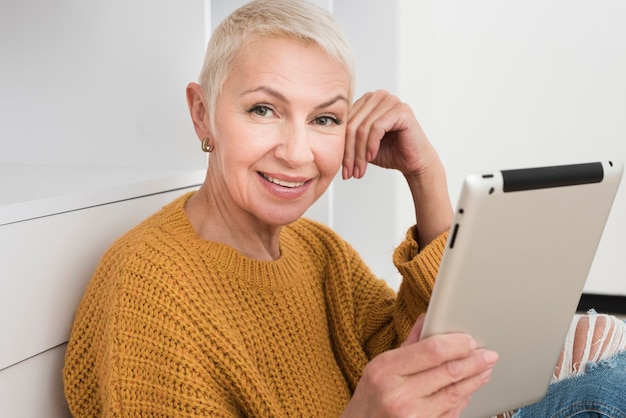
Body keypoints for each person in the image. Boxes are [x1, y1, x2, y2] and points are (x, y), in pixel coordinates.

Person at [63, 0, 626, 416]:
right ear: (202, 113)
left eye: (325, 119)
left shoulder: (316, 250)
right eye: (264, 109)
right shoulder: (151, 289)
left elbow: (428, 343)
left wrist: (423, 173)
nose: (297, 151)